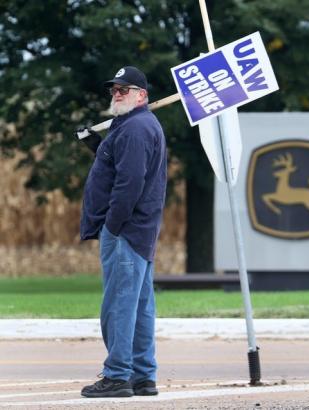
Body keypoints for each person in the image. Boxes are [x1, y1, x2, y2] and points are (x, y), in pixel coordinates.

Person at [77, 66, 167, 398]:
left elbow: (129, 184)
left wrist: (112, 226)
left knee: (118, 305)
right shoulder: (134, 126)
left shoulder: (135, 129)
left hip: (126, 231)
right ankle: (143, 376)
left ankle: (116, 376)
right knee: (140, 307)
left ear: (142, 95)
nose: (117, 94)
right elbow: (119, 164)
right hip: (139, 231)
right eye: (114, 90)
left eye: (124, 90)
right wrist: (96, 144)